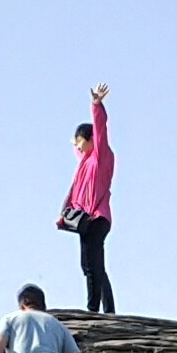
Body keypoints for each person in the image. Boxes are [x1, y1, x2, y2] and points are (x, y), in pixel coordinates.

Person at [58, 84, 116, 312]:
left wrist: (96, 105)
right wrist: (76, 143)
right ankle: (107, 308)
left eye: (80, 140)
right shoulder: (84, 163)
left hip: (98, 218)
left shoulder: (101, 157)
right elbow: (79, 149)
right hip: (86, 220)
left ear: (90, 139)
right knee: (91, 265)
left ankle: (94, 308)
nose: (78, 146)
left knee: (93, 265)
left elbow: (100, 131)